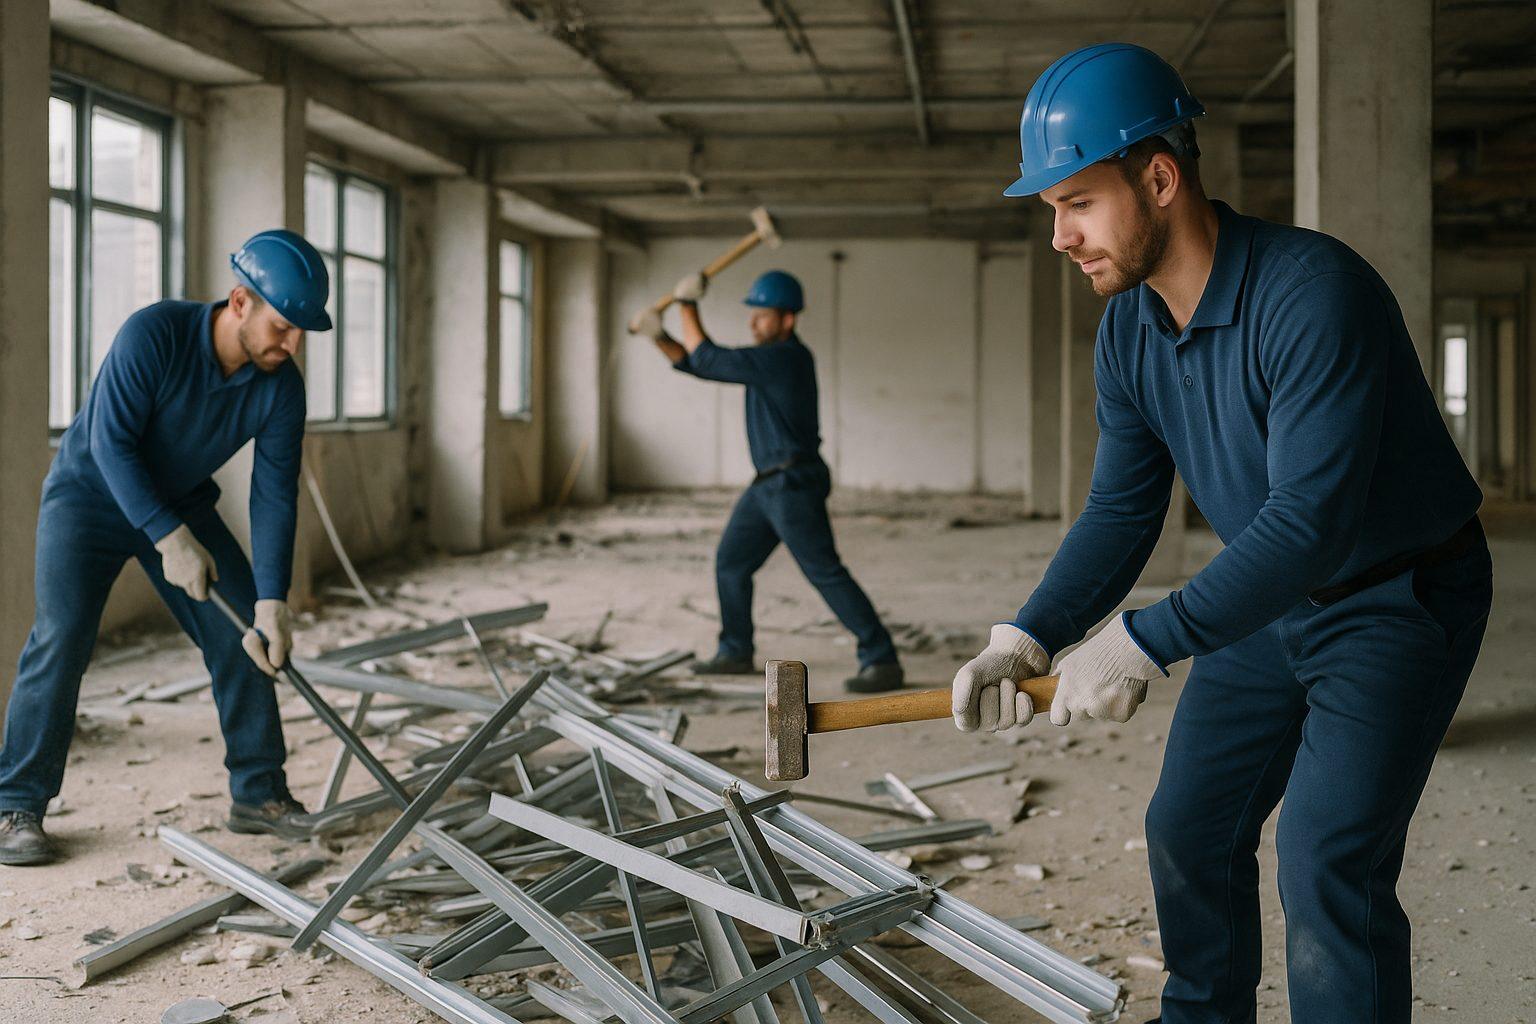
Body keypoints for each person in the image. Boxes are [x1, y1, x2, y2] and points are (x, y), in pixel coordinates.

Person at [950, 43, 1491, 1024]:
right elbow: (1123, 510)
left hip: (1394, 600)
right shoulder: (1129, 330)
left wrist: (1146, 639)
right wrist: (1029, 633)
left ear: (1159, 180)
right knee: (1188, 828)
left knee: (1326, 860)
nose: (1060, 237)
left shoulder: (1313, 292)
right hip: (1263, 599)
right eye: (1052, 211)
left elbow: (1310, 523)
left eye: (1077, 203)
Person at [0, 229, 334, 866]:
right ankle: (16, 805)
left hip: (181, 503)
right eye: (283, 326)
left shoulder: (280, 387)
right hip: (88, 497)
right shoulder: (153, 334)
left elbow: (273, 494)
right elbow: (110, 443)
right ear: (240, 302)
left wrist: (272, 600)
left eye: (301, 333)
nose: (291, 345)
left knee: (243, 635)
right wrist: (167, 536)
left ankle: (259, 793)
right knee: (61, 638)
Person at [629, 269, 904, 693]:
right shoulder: (763, 361)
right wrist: (657, 336)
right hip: (768, 485)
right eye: (752, 314)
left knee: (824, 572)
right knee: (732, 563)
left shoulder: (786, 358)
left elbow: (708, 358)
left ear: (787, 319)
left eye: (762, 315)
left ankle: (882, 659)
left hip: (792, 484)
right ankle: (735, 650)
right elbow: (698, 365)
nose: (753, 322)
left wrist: (687, 305)